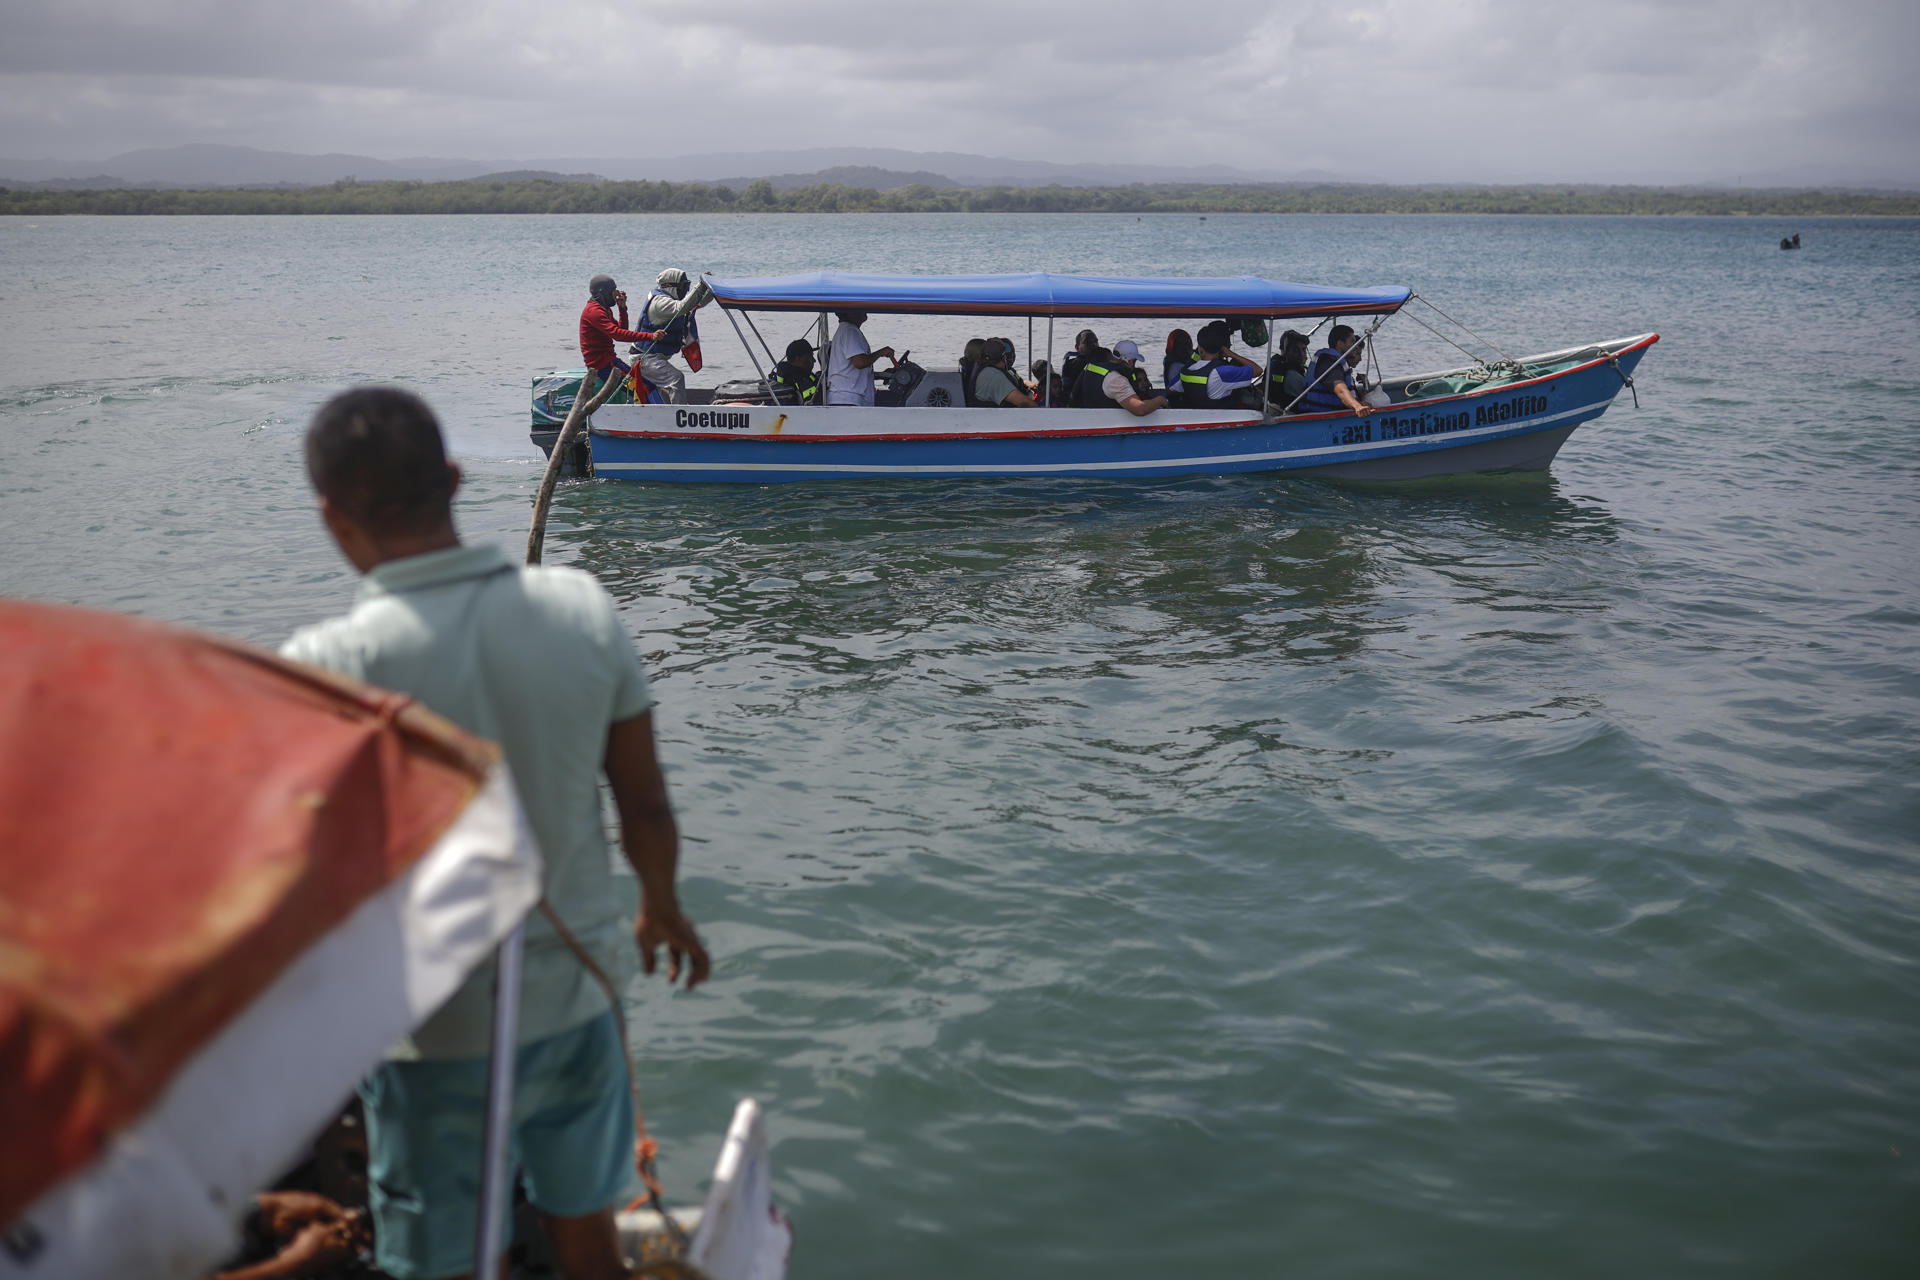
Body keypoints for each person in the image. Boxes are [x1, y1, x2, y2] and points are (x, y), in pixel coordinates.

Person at [281, 387, 711, 1280]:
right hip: (578, 999)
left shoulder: (325, 671)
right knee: (586, 1238)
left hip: (429, 1031)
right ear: (453, 477)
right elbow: (644, 805)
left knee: (435, 1262)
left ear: (330, 514)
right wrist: (660, 908)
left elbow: (300, 882)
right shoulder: (581, 611)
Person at [633, 268, 714, 403]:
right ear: (670, 286)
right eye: (684, 287)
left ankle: (673, 410)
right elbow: (682, 307)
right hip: (644, 358)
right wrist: (700, 286)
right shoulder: (660, 303)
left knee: (668, 387)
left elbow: (696, 304)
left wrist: (710, 289)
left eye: (688, 286)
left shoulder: (671, 301)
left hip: (656, 357)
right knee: (676, 379)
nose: (686, 290)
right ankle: (680, 415)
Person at [578, 274, 662, 398]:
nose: (616, 294)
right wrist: (650, 336)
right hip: (603, 366)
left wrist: (622, 308)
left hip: (610, 361)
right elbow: (618, 334)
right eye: (613, 291)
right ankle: (658, 416)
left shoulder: (604, 309)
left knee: (647, 386)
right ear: (604, 293)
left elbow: (621, 329)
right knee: (646, 388)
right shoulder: (594, 312)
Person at [1176, 321, 1262, 408]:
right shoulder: (1223, 372)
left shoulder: (1185, 371)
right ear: (1222, 348)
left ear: (1200, 349)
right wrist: (1231, 354)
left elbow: (1170, 390)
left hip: (1195, 419)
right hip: (1222, 419)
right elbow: (1258, 370)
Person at [1075, 339, 1167, 416]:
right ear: (1130, 361)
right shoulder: (1116, 379)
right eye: (1134, 362)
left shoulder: (1093, 367)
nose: (1134, 367)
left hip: (1089, 419)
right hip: (1107, 427)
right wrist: (1161, 400)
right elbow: (1140, 409)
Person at [1297, 324, 1373, 416]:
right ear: (1340, 343)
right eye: (1352, 342)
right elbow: (1339, 388)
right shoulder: (1328, 361)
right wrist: (1357, 406)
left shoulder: (1340, 363)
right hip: (1317, 417)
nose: (1356, 346)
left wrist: (1361, 400)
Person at [825, 310, 898, 406]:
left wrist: (883, 374)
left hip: (847, 398)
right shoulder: (849, 331)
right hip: (847, 400)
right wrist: (881, 352)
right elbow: (860, 362)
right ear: (849, 313)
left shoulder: (847, 330)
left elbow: (851, 369)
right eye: (859, 308)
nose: (864, 309)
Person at [971, 339, 1035, 407]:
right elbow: (1026, 403)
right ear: (1004, 357)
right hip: (998, 416)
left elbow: (1019, 381)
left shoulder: (984, 369)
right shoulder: (994, 376)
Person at [1059, 330, 1110, 406]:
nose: (1094, 345)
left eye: (1095, 341)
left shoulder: (1101, 360)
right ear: (1077, 347)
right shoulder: (1074, 364)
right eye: (1087, 342)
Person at [1268, 329, 1311, 411]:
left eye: (1304, 349)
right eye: (1295, 350)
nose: (1302, 354)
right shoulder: (1292, 375)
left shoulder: (1275, 365)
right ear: (1284, 351)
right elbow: (1312, 398)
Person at [768, 338, 820, 405]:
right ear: (798, 358)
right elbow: (816, 404)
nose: (814, 360)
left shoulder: (782, 374)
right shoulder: (801, 380)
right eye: (810, 356)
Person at [1163, 329, 1194, 397]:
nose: (1185, 347)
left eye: (1187, 343)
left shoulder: (1189, 363)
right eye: (1180, 344)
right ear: (1173, 348)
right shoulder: (1176, 367)